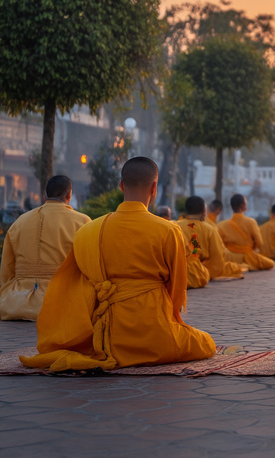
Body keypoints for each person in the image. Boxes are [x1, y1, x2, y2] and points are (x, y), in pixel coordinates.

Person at [20, 157, 215, 371]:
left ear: (121, 185)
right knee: (206, 343)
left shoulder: (89, 231)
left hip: (103, 334)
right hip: (154, 331)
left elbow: (73, 285)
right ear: (155, 188)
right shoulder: (168, 230)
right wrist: (172, 319)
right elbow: (176, 289)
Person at [0, 176, 90, 321]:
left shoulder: (19, 222)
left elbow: (6, 271)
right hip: (62, 304)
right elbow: (89, 269)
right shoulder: (82, 222)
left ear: (44, 195)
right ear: (69, 195)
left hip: (14, 304)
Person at [176, 196, 244, 281]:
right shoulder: (210, 229)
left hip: (176, 269)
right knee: (234, 268)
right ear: (204, 211)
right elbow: (217, 258)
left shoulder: (175, 226)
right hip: (197, 272)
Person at [217, 194, 274, 271]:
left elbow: (219, 244)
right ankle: (246, 266)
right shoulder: (250, 222)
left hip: (229, 257)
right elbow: (259, 242)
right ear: (242, 206)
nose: (246, 205)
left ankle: (238, 267)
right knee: (270, 263)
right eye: (245, 203)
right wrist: (251, 249)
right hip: (248, 256)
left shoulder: (221, 225)